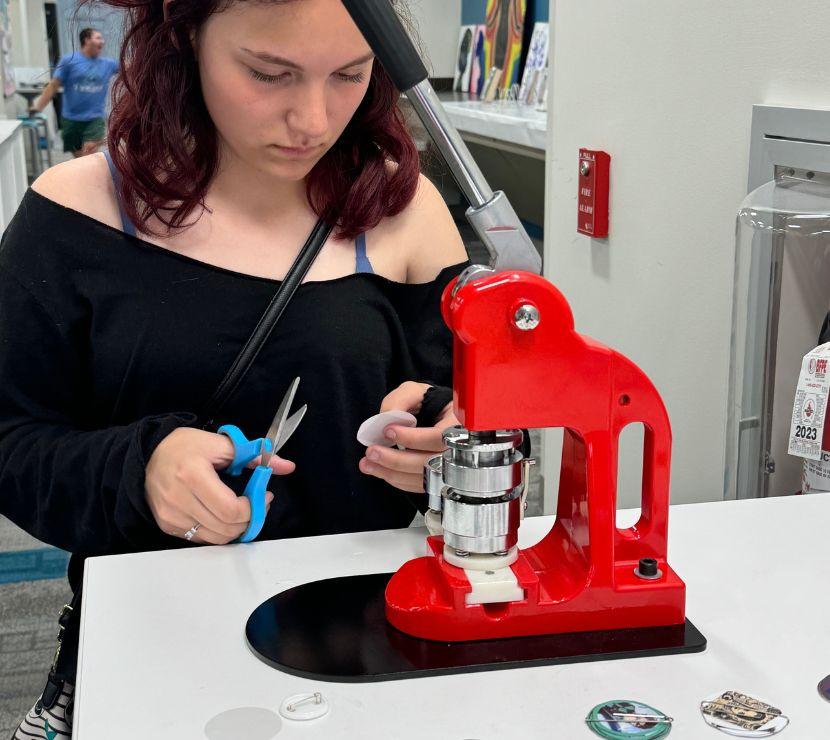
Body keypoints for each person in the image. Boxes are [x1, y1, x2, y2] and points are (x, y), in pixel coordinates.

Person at [2, 0, 469, 737]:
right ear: (186, 38)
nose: (312, 120)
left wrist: (449, 442)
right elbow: (11, 440)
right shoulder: (80, 211)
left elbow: (480, 414)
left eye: (349, 75)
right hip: (148, 656)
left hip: (366, 654)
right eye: (268, 73)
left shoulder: (404, 212)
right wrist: (140, 467)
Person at [30, 27, 119, 157]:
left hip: (95, 119)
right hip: (71, 119)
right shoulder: (69, 61)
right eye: (98, 38)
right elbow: (53, 85)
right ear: (86, 40)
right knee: (79, 158)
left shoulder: (109, 64)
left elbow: (130, 70)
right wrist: (38, 107)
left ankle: (91, 176)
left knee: (89, 155)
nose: (102, 41)